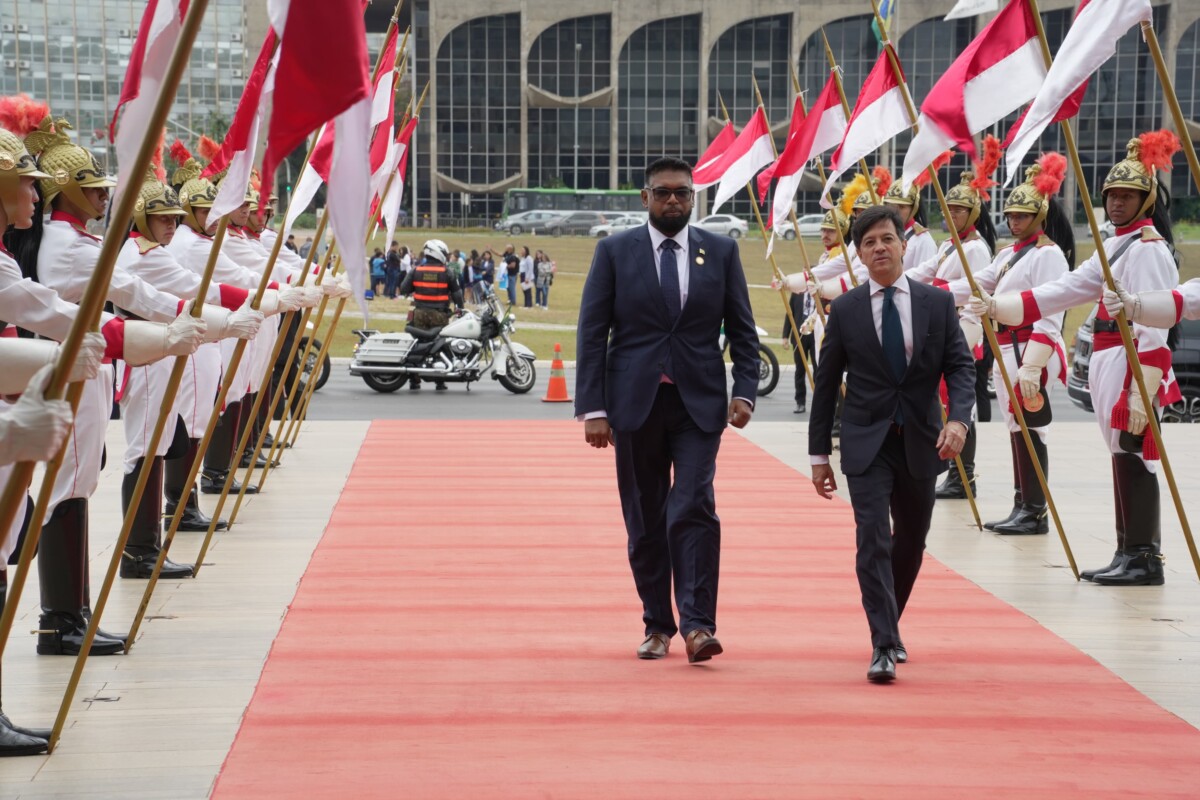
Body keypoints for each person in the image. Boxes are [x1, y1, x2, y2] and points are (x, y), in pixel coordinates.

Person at [970, 131, 1182, 586]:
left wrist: (1141, 391)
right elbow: (1062, 291)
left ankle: (1144, 555)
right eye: (1112, 195)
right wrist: (1000, 306)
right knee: (1119, 450)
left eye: (1128, 195)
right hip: (1108, 357)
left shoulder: (1147, 248)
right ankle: (1127, 550)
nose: (1118, 203)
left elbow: (1155, 326)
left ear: (1146, 200)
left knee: (1134, 452)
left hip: (1130, 360)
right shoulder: (1116, 245)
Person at [575, 156, 759, 664]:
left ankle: (698, 625)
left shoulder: (720, 251)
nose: (673, 200)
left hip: (699, 405)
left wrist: (745, 391)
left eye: (682, 192)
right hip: (633, 405)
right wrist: (593, 408)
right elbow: (592, 333)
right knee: (645, 518)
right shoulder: (614, 252)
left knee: (693, 505)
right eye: (663, 192)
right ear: (645, 198)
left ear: (693, 197)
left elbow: (743, 330)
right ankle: (658, 624)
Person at [809, 204, 976, 683]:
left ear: (904, 245)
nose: (879, 248)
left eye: (887, 239)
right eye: (868, 243)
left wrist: (959, 421)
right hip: (867, 442)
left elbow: (960, 367)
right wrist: (819, 456)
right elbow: (826, 386)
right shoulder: (845, 309)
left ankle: (890, 621)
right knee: (873, 538)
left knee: (912, 541)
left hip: (921, 440)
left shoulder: (936, 303)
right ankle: (882, 642)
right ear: (859, 255)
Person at [942, 153, 1074, 535]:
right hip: (1005, 345)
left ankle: (1034, 511)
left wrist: (1033, 364)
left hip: (1031, 345)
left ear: (1040, 215)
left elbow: (1052, 313)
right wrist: (930, 294)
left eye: (1022, 215)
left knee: (1032, 429)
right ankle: (1023, 505)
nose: (1014, 221)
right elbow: (973, 284)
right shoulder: (1006, 255)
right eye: (1011, 215)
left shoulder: (1048, 255)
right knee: (1017, 428)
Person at [905, 167, 998, 501]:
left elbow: (974, 294)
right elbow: (923, 272)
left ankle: (964, 476)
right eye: (949, 210)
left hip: (962, 329)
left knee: (961, 404)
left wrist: (962, 339)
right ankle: (956, 473)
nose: (952, 215)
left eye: (959, 210)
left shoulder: (975, 248)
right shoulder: (949, 245)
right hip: (944, 326)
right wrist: (896, 282)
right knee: (945, 401)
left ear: (972, 213)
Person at [399, 239, 464, 391]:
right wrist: (460, 308)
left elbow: (403, 289)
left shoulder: (416, 270)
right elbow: (457, 294)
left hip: (419, 314)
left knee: (417, 345)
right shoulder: (447, 272)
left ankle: (414, 380)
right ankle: (439, 381)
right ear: (439, 253)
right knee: (440, 347)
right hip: (439, 315)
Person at [782, 289, 815, 414]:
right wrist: (785, 336)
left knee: (819, 370)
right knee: (800, 370)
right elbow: (789, 313)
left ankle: (819, 402)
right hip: (799, 336)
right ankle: (800, 402)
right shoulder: (797, 292)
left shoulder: (820, 292)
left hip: (815, 336)